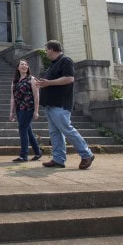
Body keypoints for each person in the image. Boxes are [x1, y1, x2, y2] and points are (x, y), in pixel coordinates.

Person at [34, 40, 95, 169]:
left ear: (51, 49)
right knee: (55, 133)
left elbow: (69, 78)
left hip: (60, 104)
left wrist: (49, 83)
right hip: (51, 105)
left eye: (46, 50)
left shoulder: (65, 60)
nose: (46, 53)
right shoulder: (53, 64)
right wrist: (43, 83)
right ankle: (58, 159)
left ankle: (86, 154)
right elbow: (53, 81)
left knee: (67, 130)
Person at [8, 59, 43, 162]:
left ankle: (24, 155)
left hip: (28, 108)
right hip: (19, 109)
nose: (24, 66)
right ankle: (38, 152)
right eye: (22, 64)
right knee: (28, 131)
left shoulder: (32, 79)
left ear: (28, 67)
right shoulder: (14, 82)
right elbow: (12, 97)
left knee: (22, 130)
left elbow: (36, 96)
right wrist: (11, 112)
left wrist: (36, 111)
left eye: (26, 64)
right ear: (18, 67)